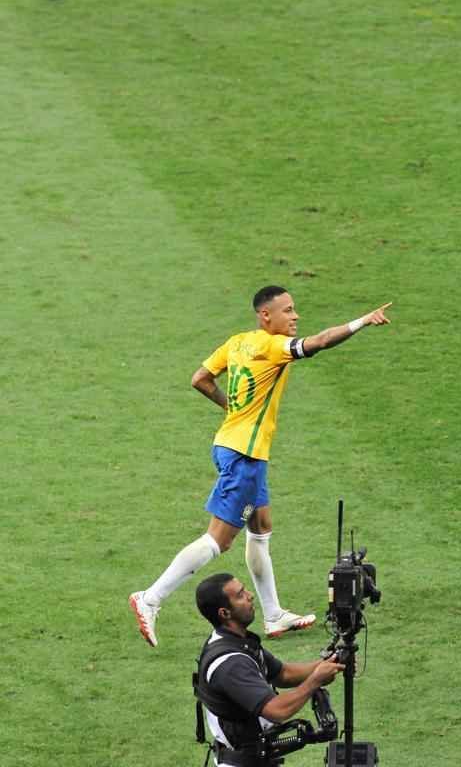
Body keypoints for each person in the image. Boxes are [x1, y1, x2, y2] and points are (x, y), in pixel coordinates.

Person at [130, 286, 392, 646]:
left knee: (261, 526)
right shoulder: (272, 347)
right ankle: (150, 598)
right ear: (265, 316)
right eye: (288, 310)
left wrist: (232, 410)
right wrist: (362, 321)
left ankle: (273, 615)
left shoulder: (237, 342)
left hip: (231, 445)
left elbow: (200, 380)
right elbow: (319, 342)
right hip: (245, 457)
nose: (295, 316)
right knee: (217, 541)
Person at [194, 573, 345, 767]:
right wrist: (315, 680)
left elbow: (282, 674)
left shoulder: (235, 641)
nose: (250, 595)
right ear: (224, 613)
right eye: (240, 595)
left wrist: (331, 662)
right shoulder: (230, 664)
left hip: (256, 758)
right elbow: (277, 710)